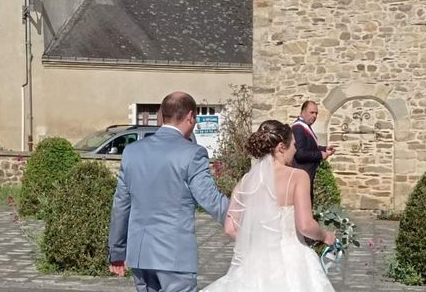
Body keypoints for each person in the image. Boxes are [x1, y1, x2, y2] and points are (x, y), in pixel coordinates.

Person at [108, 91, 229, 292]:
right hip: (175, 255)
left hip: (140, 255)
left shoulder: (132, 151)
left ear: (162, 115)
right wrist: (244, 220)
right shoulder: (193, 153)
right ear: (190, 117)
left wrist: (117, 251)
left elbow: (120, 204)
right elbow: (210, 199)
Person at [202, 120, 336, 292]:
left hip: (256, 261)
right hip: (292, 261)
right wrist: (325, 236)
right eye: (293, 144)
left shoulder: (245, 181)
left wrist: (257, 241)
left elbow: (230, 228)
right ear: (281, 147)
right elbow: (305, 225)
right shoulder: (298, 177)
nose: (295, 149)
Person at [292, 100, 335, 202]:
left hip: (307, 175)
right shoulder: (298, 127)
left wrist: (325, 149)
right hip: (302, 175)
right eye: (312, 112)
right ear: (303, 112)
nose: (315, 116)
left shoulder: (305, 127)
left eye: (316, 113)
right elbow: (300, 154)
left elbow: (309, 147)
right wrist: (320, 155)